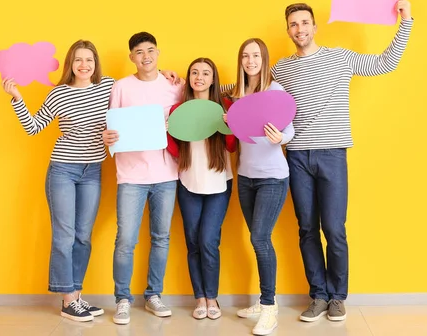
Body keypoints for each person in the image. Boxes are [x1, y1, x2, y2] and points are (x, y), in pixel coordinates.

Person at [273, 0, 414, 322]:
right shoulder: (280, 68)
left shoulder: (340, 58)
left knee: (334, 228)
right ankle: (318, 295)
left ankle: (338, 297)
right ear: (288, 30)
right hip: (296, 156)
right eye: (293, 24)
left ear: (314, 26)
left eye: (304, 22)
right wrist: (185, 83)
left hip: (333, 154)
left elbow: (384, 63)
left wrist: (405, 22)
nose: (299, 28)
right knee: (306, 229)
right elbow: (246, 86)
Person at [1, 39, 112, 322]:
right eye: (78, 60)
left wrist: (171, 77)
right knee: (64, 236)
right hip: (62, 169)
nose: (84, 65)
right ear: (70, 64)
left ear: (96, 63)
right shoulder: (59, 94)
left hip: (93, 170)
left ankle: (76, 295)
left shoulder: (108, 87)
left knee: (83, 237)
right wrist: (17, 98)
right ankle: (67, 300)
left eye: (89, 59)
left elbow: (135, 99)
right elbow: (34, 127)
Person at [103, 32, 184, 325]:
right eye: (139, 52)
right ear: (131, 57)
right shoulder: (121, 87)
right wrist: (108, 137)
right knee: (125, 239)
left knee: (161, 238)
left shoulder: (175, 85)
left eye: (150, 50)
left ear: (158, 53)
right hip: (131, 175)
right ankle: (122, 298)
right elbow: (111, 127)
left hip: (166, 174)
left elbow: (199, 101)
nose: (146, 56)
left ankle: (153, 295)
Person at [230, 39, 294, 335]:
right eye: (246, 56)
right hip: (246, 177)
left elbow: (289, 127)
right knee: (257, 239)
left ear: (264, 59)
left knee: (260, 238)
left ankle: (269, 308)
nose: (250, 60)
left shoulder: (275, 90)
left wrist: (280, 137)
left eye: (256, 55)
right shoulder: (236, 94)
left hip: (272, 177)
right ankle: (262, 301)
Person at [166, 57, 237, 320]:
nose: (200, 77)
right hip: (188, 183)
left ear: (213, 78)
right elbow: (174, 152)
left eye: (206, 73)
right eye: (194, 72)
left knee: (209, 241)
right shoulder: (177, 110)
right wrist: (167, 133)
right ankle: (200, 298)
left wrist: (230, 125)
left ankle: (212, 297)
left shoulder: (224, 105)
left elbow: (231, 147)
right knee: (193, 242)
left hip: (219, 183)